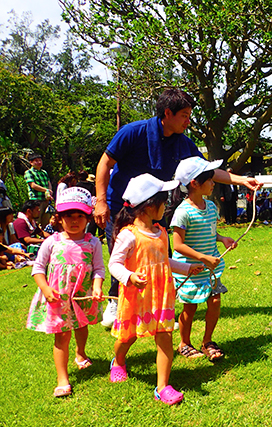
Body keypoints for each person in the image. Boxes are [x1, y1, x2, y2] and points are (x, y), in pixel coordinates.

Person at [96, 88, 261, 327]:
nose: (188, 120)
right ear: (167, 113)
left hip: (155, 209)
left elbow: (207, 170)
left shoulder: (183, 143)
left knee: (158, 254)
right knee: (124, 256)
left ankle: (159, 308)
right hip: (122, 206)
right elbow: (105, 163)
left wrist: (242, 180)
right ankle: (116, 302)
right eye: (184, 114)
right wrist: (100, 201)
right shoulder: (132, 132)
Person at [108, 173, 204, 405]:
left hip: (161, 296)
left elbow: (164, 261)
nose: (168, 206)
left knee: (165, 336)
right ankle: (118, 360)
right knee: (127, 336)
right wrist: (130, 277)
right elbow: (114, 264)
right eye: (165, 202)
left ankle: (162, 386)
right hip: (136, 296)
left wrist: (187, 267)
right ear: (150, 206)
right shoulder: (128, 235)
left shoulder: (161, 232)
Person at [25, 187, 105, 398]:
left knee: (81, 325)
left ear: (88, 218)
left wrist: (97, 286)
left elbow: (98, 269)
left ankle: (80, 353)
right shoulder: (52, 242)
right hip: (57, 299)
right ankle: (62, 378)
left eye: (80, 216)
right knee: (61, 336)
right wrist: (45, 288)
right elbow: (38, 268)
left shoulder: (93, 242)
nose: (75, 220)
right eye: (69, 215)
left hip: (82, 296)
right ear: (59, 218)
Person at [170, 157, 237, 362]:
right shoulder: (183, 212)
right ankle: (184, 343)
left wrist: (223, 238)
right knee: (189, 308)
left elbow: (210, 232)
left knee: (215, 301)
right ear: (194, 184)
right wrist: (202, 257)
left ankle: (207, 341)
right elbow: (178, 245)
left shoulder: (211, 207)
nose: (213, 183)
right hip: (191, 270)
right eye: (209, 179)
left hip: (211, 268)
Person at [24, 153, 54, 227]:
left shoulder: (44, 172)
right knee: (36, 220)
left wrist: (49, 191)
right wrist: (45, 190)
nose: (39, 162)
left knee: (46, 220)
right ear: (31, 162)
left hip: (46, 200)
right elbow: (33, 185)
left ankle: (44, 235)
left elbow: (48, 183)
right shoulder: (29, 172)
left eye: (40, 160)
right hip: (36, 199)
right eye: (36, 161)